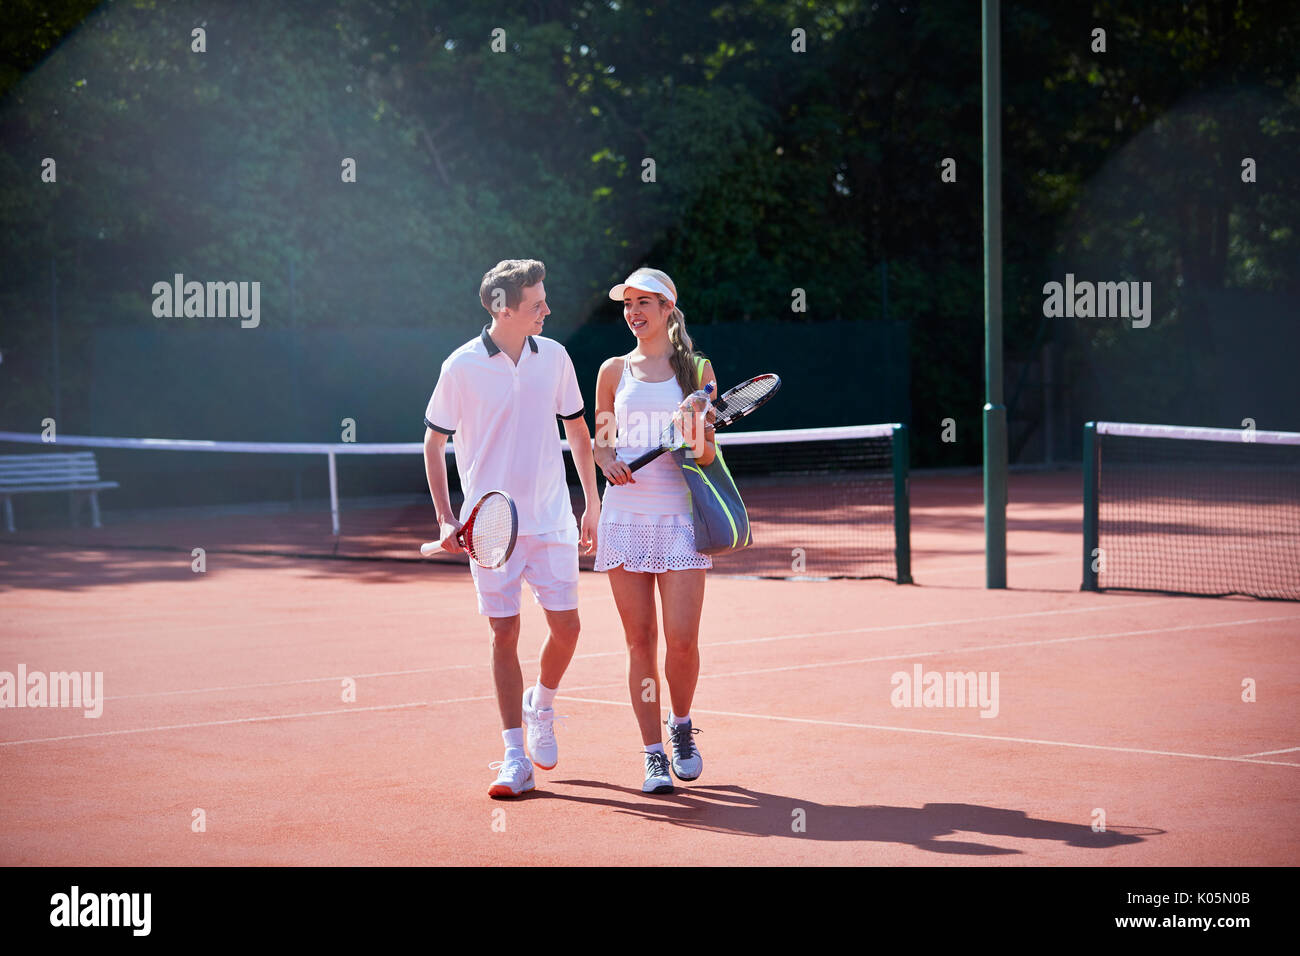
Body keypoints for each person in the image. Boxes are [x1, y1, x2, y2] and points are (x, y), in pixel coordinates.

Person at [422, 259, 599, 798]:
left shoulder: (558, 358)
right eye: (536, 302)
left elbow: (578, 430)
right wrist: (447, 517)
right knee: (504, 634)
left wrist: (592, 503)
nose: (547, 308)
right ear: (504, 307)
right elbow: (434, 443)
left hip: (550, 520)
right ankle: (514, 757)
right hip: (490, 529)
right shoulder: (460, 367)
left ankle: (541, 703)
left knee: (567, 628)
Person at [593, 267, 716, 794]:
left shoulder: (698, 369)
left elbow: (707, 455)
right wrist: (606, 461)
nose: (634, 311)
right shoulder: (612, 370)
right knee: (638, 642)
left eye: (645, 302)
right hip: (624, 516)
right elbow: (601, 438)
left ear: (668, 309)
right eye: (628, 303)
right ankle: (653, 755)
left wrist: (695, 431)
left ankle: (682, 727)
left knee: (682, 641)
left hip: (680, 518)